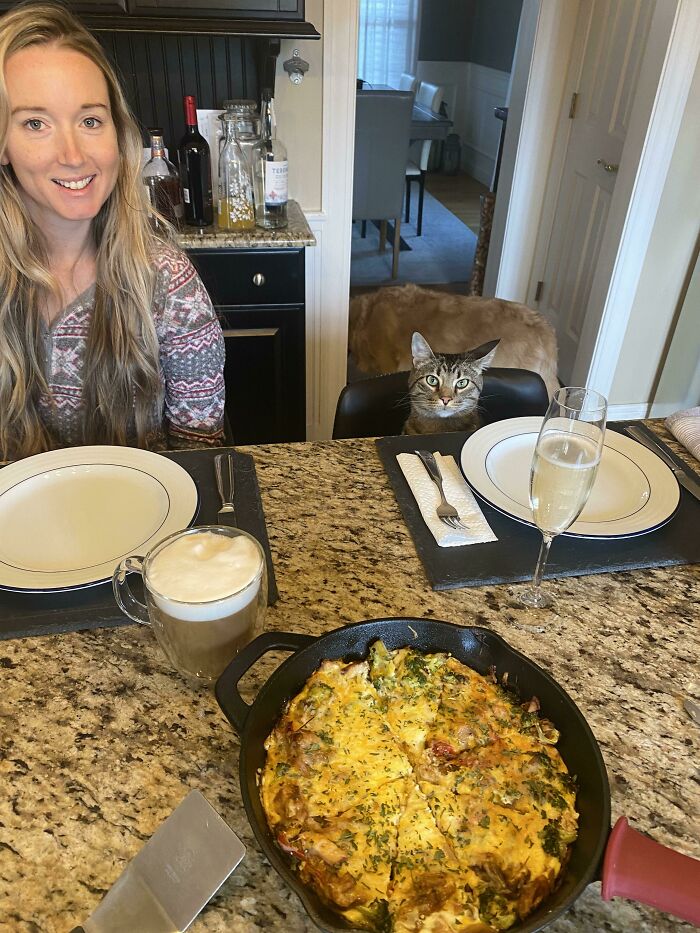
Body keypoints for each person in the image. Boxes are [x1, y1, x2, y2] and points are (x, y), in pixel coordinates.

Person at [0, 1, 226, 461]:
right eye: (35, 123)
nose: (73, 154)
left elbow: (201, 454)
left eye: (90, 120)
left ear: (117, 134)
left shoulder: (167, 282)